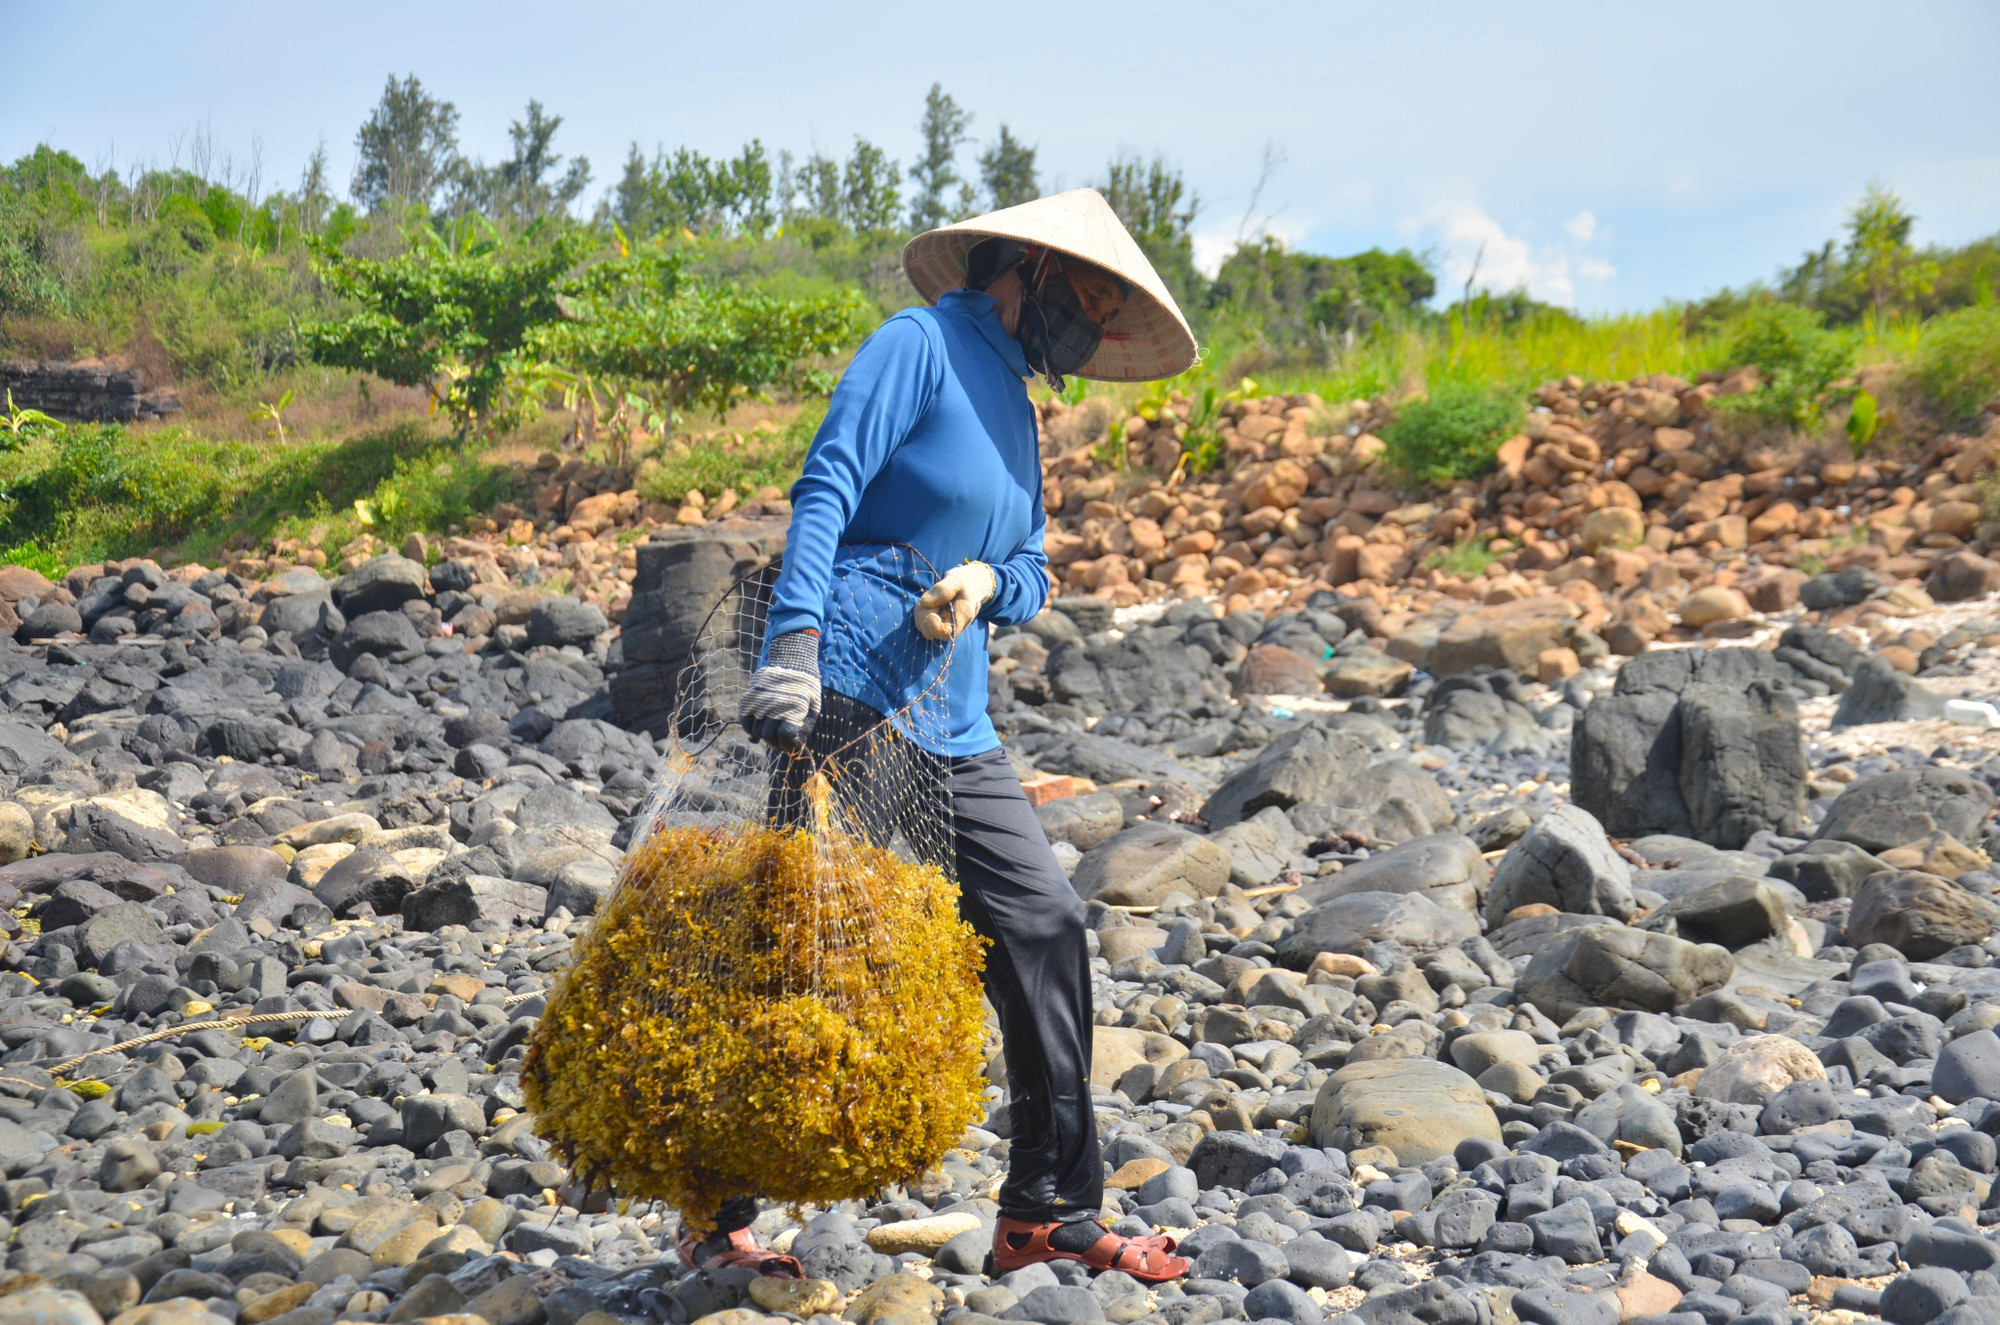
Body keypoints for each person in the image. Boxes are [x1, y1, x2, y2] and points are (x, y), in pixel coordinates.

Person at [681, 189, 1198, 1283]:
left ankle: (1047, 1213)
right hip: (851, 692)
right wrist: (793, 643)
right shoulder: (915, 346)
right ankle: (713, 1213)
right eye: (1093, 297)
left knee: (1045, 925)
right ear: (1033, 270)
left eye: (1111, 312)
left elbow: (1034, 563)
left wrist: (986, 582)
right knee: (801, 939)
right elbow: (826, 485)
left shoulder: (1016, 403)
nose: (1097, 325)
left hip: (954, 722)